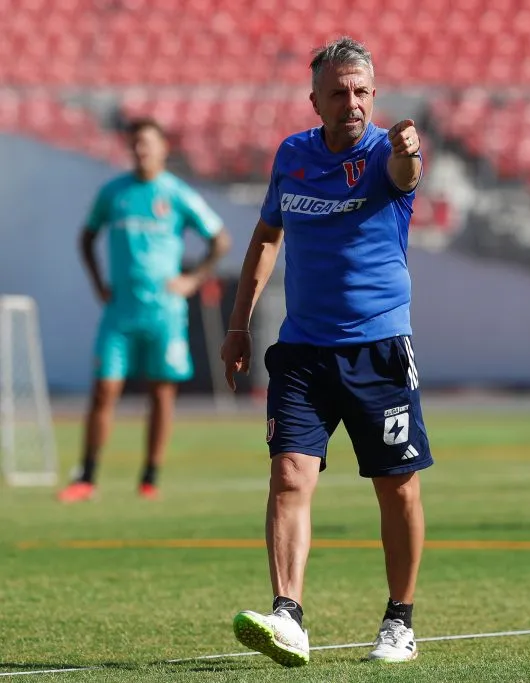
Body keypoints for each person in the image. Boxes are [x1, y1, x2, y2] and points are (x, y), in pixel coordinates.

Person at [221, 37, 431, 667]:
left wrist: (408, 154)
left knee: (396, 489)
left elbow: (406, 177)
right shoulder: (293, 155)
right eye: (338, 92)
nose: (352, 103)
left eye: (362, 91)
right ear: (314, 99)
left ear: (375, 94)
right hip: (304, 352)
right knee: (288, 476)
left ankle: (400, 621)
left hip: (379, 351)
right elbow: (266, 236)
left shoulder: (385, 154)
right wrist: (238, 326)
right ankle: (288, 617)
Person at [58, 118, 230, 503]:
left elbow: (219, 239)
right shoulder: (113, 194)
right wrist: (98, 283)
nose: (141, 151)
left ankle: (150, 476)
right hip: (120, 310)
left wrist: (193, 279)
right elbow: (86, 237)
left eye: (148, 144)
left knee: (161, 393)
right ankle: (86, 475)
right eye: (135, 145)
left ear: (163, 148)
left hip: (164, 312)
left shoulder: (177, 193)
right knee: (105, 389)